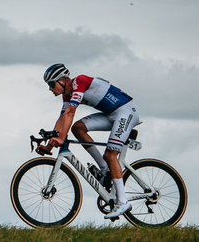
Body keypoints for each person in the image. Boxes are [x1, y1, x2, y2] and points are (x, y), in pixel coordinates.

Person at [37, 63, 141, 220]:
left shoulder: (79, 82)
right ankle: (105, 170)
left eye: (51, 84)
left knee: (111, 155)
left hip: (125, 112)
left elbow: (71, 113)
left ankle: (123, 201)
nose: (50, 89)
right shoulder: (67, 95)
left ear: (62, 81)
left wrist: (60, 138)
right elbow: (62, 119)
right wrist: (50, 145)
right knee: (78, 129)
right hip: (111, 114)